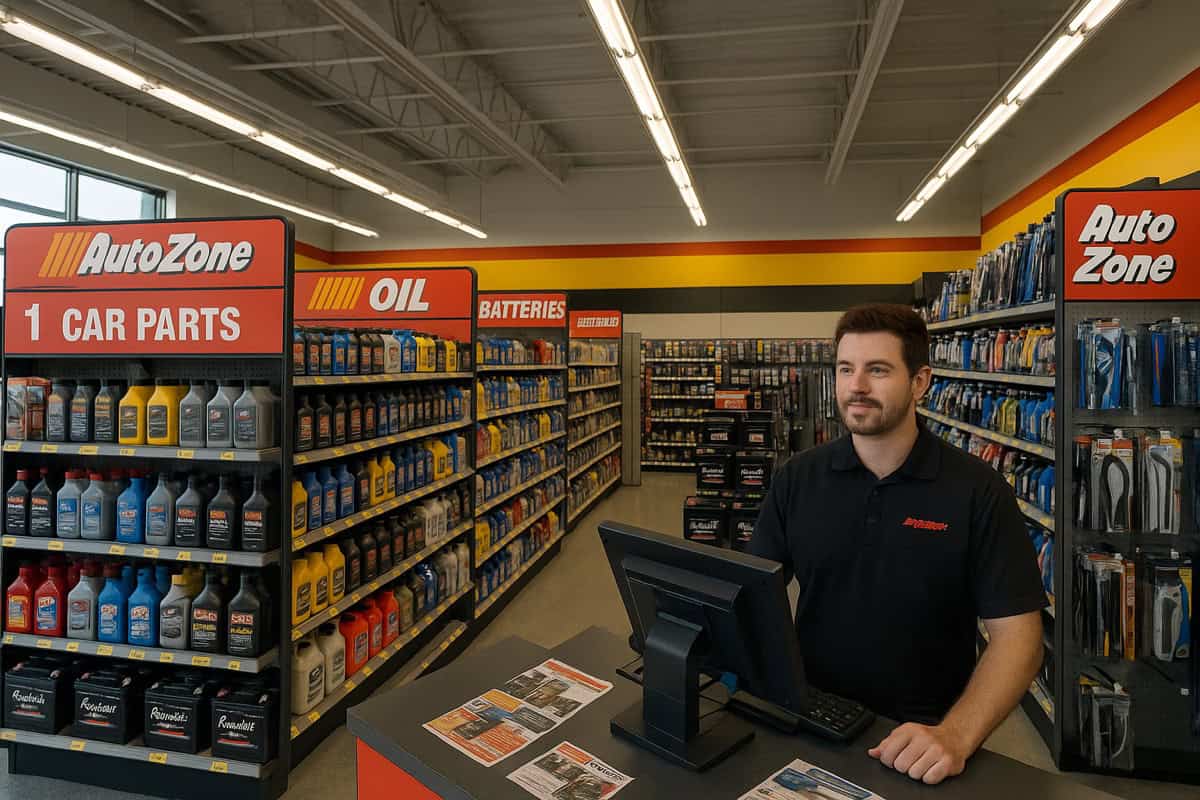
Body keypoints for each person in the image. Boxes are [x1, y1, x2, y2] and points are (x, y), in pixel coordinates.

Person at [750, 304, 1045, 785]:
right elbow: (749, 591)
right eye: (846, 369)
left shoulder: (977, 491)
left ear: (920, 381)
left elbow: (1020, 642)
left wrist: (955, 734)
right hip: (811, 721)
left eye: (878, 370)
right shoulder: (798, 478)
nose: (857, 386)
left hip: (920, 741)